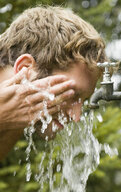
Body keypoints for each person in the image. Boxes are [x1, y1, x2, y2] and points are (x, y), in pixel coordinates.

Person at [0, 6, 106, 160]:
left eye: (83, 101)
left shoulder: (20, 108)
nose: (76, 117)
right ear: (25, 70)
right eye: (70, 94)